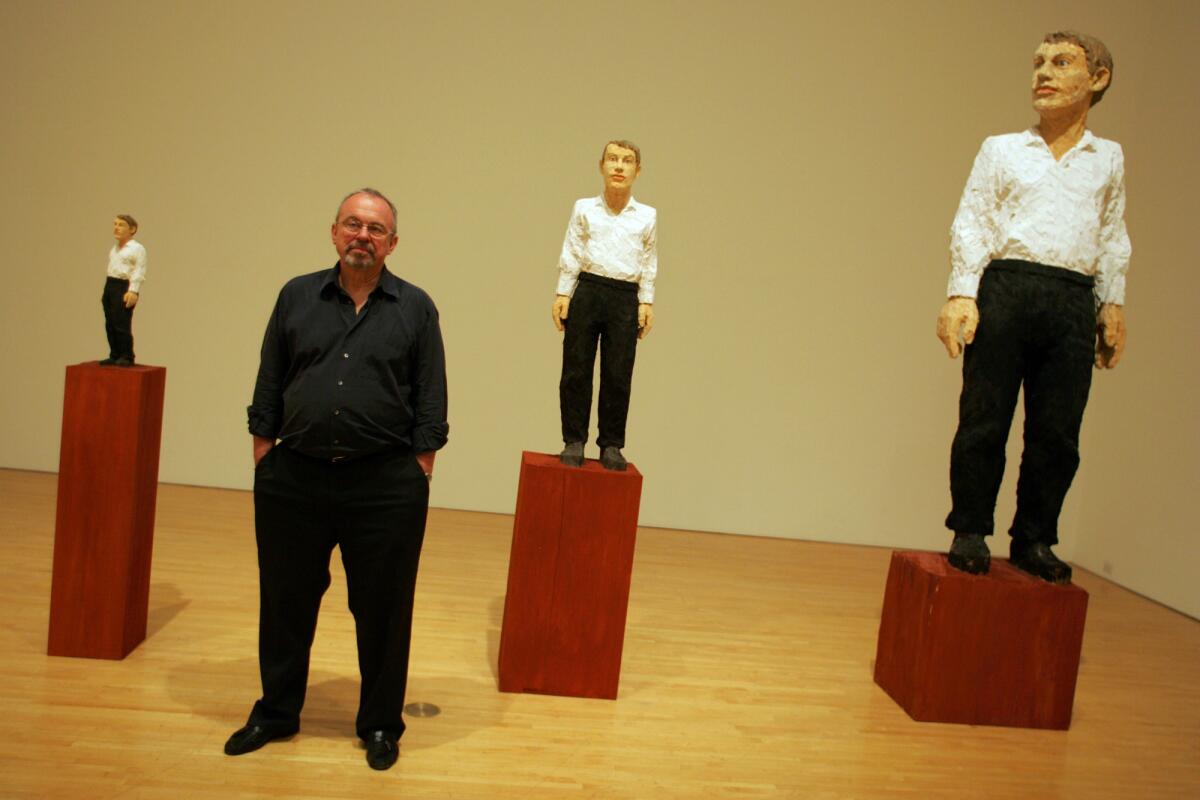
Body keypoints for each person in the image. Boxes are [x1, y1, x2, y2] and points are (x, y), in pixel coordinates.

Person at [227, 188, 448, 770]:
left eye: (376, 230)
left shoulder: (416, 308)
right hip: (293, 478)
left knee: (383, 608)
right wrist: (264, 454)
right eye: (354, 224)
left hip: (384, 486)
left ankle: (379, 724)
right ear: (333, 232)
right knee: (284, 602)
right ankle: (276, 712)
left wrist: (420, 467)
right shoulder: (296, 296)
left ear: (392, 243)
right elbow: (270, 375)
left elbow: (431, 394)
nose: (363, 237)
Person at [936, 31, 1131, 583]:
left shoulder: (1107, 158)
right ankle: (970, 528)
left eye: (1061, 62)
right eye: (1038, 62)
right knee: (983, 418)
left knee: (1058, 431)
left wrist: (1111, 303)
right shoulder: (1002, 149)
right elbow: (973, 221)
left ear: (1097, 79)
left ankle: (1035, 537)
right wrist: (961, 293)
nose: (1042, 73)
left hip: (1072, 295)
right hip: (1009, 286)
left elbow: (1112, 233)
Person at [552, 139, 657, 471]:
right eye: (612, 159)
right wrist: (563, 293)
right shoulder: (584, 208)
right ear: (601, 165)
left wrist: (646, 300)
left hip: (624, 296)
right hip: (589, 288)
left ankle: (611, 443)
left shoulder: (647, 216)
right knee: (576, 369)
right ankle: (574, 439)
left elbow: (649, 260)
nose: (618, 166)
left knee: (618, 373)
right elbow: (572, 249)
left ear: (637, 171)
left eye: (627, 161)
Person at [101, 214, 146, 366]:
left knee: (121, 323)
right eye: (115, 224)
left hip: (123, 286)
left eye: (121, 225)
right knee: (110, 322)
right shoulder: (115, 249)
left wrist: (133, 290)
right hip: (110, 284)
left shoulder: (137, 249)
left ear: (132, 229)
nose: (116, 227)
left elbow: (139, 271)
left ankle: (127, 355)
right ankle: (115, 353)